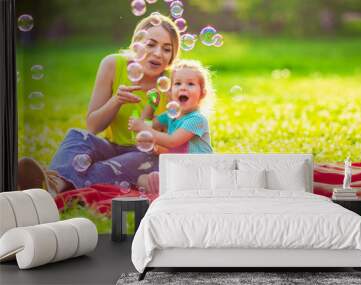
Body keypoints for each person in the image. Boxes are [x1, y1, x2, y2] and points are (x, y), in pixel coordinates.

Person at [17, 14, 181, 196]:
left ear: (173, 55)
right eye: (151, 44)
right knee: (78, 136)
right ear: (137, 44)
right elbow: (93, 126)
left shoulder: (174, 83)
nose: (158, 53)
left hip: (146, 156)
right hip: (111, 147)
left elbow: (174, 143)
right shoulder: (113, 64)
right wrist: (116, 100)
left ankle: (55, 186)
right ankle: (54, 183)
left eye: (166, 49)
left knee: (112, 165)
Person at [129, 59, 214, 193]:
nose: (183, 87)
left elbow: (172, 141)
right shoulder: (170, 115)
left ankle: (165, 191)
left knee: (152, 180)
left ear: (202, 93)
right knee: (142, 179)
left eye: (190, 84)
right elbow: (149, 126)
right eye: (177, 83)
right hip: (179, 172)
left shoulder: (197, 119)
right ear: (169, 92)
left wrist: (142, 127)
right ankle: (165, 190)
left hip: (198, 174)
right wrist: (152, 105)